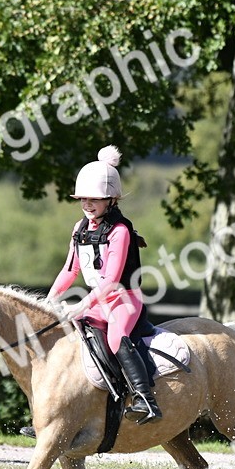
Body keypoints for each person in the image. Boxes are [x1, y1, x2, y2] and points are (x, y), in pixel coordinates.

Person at [47, 145, 162, 424]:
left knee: (114, 337)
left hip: (123, 298)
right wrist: (50, 298)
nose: (87, 205)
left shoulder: (120, 231)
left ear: (111, 199)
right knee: (69, 337)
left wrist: (84, 304)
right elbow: (70, 269)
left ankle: (145, 399)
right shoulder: (80, 228)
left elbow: (111, 281)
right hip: (99, 301)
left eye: (94, 200)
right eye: (83, 199)